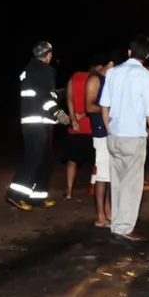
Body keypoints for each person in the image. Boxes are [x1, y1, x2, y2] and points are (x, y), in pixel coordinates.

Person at [99, 35, 149, 241]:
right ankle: (125, 228)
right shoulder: (146, 76)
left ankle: (117, 223)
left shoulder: (113, 73)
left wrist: (109, 127)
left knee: (116, 181)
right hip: (133, 136)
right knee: (131, 184)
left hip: (114, 136)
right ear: (147, 55)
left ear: (129, 52)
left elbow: (104, 104)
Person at [5, 41, 71, 210]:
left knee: (44, 161)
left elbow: (40, 93)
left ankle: (37, 197)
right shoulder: (46, 71)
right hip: (38, 122)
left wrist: (60, 93)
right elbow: (46, 98)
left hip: (32, 121)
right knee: (35, 159)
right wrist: (59, 113)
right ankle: (15, 195)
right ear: (48, 55)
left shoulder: (29, 70)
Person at [84, 53, 116, 227]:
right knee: (102, 176)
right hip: (100, 133)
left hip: (111, 132)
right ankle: (100, 216)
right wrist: (110, 110)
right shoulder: (95, 80)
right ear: (110, 63)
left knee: (111, 175)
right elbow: (88, 106)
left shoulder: (110, 80)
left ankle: (109, 212)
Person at [63, 68, 94, 199]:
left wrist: (73, 118)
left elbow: (69, 98)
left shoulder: (74, 77)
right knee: (97, 161)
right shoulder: (95, 79)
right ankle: (93, 189)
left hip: (76, 127)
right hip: (92, 126)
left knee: (72, 160)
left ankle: (69, 191)